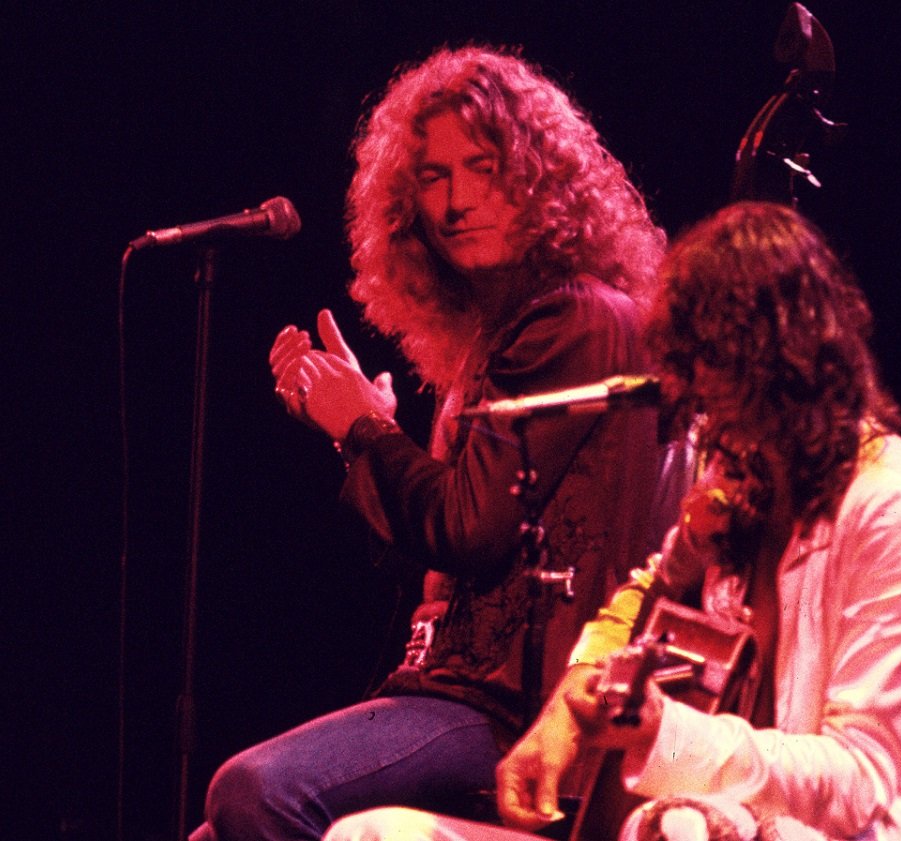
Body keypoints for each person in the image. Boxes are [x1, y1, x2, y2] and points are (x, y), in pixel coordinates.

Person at [324, 201, 901, 841]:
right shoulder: (745, 475)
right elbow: (651, 588)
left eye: (718, 371)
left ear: (787, 363)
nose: (701, 399)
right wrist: (569, 705)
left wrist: (669, 732)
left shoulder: (893, 507)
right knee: (374, 833)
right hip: (710, 818)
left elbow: (858, 782)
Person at [190, 45, 675, 841]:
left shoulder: (573, 317)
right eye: (432, 177)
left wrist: (365, 427)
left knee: (254, 791)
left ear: (538, 179)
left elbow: (467, 530)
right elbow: (440, 557)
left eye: (482, 168)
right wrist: (359, 433)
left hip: (522, 707)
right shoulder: (495, 338)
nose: (455, 201)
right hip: (460, 692)